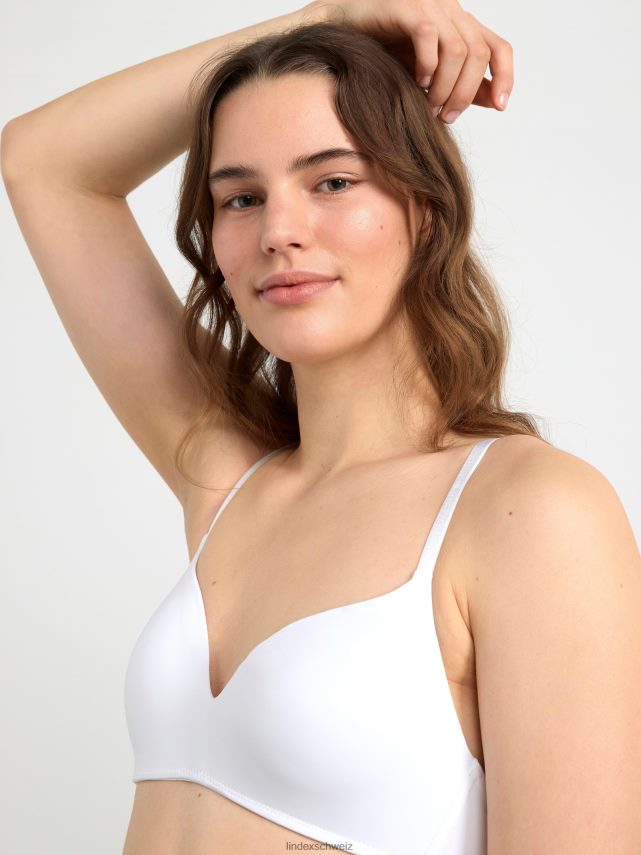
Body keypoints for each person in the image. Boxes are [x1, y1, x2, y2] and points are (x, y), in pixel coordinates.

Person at [2, 1, 640, 853]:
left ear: (424, 207)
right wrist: (327, 16)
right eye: (240, 197)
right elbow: (41, 162)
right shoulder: (230, 483)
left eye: (333, 181)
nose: (278, 231)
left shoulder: (528, 510)